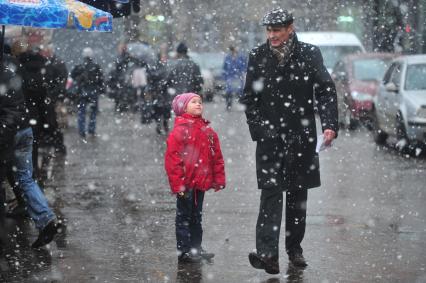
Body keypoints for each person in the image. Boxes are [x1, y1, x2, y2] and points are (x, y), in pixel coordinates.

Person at [240, 8, 338, 273]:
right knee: (270, 194)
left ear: (290, 28)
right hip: (270, 140)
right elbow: (249, 99)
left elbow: (326, 91)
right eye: (269, 30)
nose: (272, 35)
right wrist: (261, 130)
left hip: (301, 137)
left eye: (277, 30)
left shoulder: (309, 54)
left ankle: (294, 249)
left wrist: (329, 125)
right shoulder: (258, 56)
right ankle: (268, 255)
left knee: (297, 196)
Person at [164, 92, 225, 263]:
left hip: (200, 183)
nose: (199, 104)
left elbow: (216, 157)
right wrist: (178, 185)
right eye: (193, 102)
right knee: (184, 217)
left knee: (196, 217)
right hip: (186, 184)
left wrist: (218, 178)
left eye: (200, 102)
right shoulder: (180, 131)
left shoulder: (207, 131)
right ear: (183, 108)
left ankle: (196, 248)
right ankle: (184, 251)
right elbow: (173, 161)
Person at [71, 47, 104, 138]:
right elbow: (101, 80)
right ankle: (91, 130)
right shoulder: (96, 66)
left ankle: (82, 131)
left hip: (82, 92)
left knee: (81, 111)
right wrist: (101, 90)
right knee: (93, 112)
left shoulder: (79, 66)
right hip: (93, 92)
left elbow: (72, 76)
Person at [222, 45, 246, 110]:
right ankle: (228, 105)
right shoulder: (228, 57)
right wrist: (225, 76)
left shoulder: (241, 57)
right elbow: (224, 67)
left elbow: (244, 66)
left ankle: (241, 104)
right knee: (229, 92)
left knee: (240, 92)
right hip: (230, 77)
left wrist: (242, 73)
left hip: (238, 77)